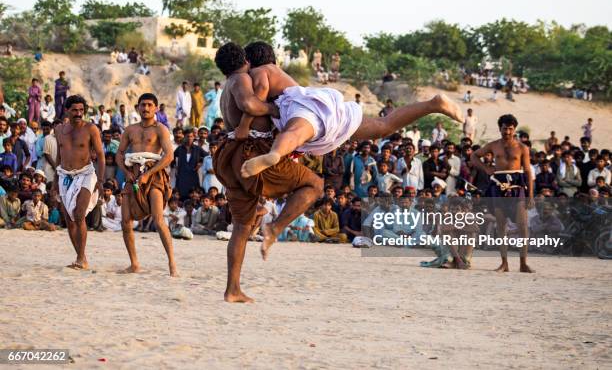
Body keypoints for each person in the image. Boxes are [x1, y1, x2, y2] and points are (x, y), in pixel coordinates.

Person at [237, 42, 463, 178]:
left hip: (301, 107)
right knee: (382, 127)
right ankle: (433, 104)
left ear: (250, 60)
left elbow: (254, 105)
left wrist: (243, 127)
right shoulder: (279, 71)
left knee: (294, 134)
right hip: (328, 110)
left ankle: (274, 154)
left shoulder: (260, 71)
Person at [212, 43, 323, 302]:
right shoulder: (241, 78)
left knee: (241, 225)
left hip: (231, 154)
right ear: (245, 60)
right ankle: (275, 227)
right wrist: (275, 109)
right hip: (251, 151)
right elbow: (250, 104)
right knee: (315, 185)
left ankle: (233, 289)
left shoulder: (227, 85)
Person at [115, 93, 177, 276]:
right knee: (126, 222)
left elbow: (169, 155)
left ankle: (172, 263)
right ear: (138, 107)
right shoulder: (130, 129)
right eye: (143, 105)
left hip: (154, 175)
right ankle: (134, 263)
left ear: (156, 108)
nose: (146, 108)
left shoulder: (161, 130)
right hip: (132, 174)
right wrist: (127, 173)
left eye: (150, 105)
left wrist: (148, 174)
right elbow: (119, 153)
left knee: (158, 220)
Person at [471, 114, 534, 273]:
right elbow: (474, 156)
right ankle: (504, 263)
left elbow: (527, 172)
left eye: (511, 129)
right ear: (500, 128)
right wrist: (485, 168)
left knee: (522, 226)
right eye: (505, 128)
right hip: (498, 185)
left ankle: (523, 263)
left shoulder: (522, 148)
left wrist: (530, 195)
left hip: (517, 186)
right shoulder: (493, 145)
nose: (507, 131)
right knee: (501, 225)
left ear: (514, 130)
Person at [54, 95, 106, 270]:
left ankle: (80, 257)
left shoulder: (91, 129)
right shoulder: (59, 130)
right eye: (75, 110)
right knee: (69, 219)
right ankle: (81, 257)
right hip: (64, 175)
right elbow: (58, 156)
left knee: (79, 214)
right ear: (67, 110)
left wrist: (100, 180)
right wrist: (55, 181)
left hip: (86, 174)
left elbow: (100, 155)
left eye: (81, 110)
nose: (78, 113)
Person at [174, 129, 204, 200]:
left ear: (194, 137)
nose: (189, 138)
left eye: (191, 136)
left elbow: (207, 156)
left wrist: (201, 162)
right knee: (182, 196)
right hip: (182, 176)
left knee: (194, 196)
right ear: (184, 137)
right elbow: (172, 157)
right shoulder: (180, 148)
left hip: (193, 175)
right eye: (187, 136)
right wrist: (175, 166)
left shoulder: (197, 148)